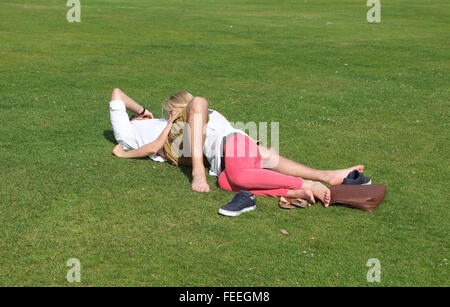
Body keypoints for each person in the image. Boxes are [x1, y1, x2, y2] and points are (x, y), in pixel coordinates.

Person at [110, 89, 365, 207]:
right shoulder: (188, 125)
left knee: (240, 174)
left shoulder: (193, 112)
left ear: (178, 109)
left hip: (234, 146)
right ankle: (313, 182)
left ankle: (305, 185)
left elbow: (158, 143)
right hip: (232, 158)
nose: (167, 118)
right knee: (227, 180)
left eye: (170, 112)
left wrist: (125, 153)